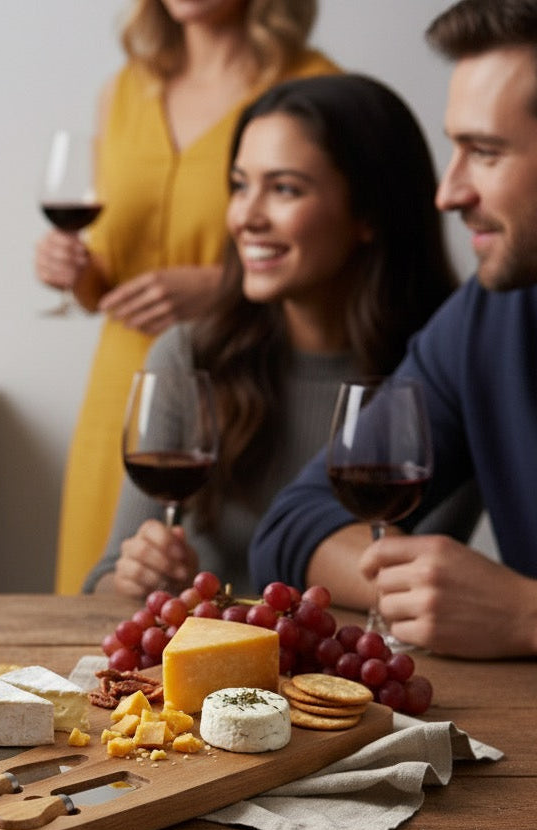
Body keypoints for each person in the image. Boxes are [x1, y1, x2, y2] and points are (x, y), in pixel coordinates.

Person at [85, 72, 480, 598]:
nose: (246, 216)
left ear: (369, 212)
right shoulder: (189, 356)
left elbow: (425, 595)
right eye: (240, 185)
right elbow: (105, 583)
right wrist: (140, 578)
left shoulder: (447, 375)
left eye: (285, 189)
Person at [250, 0, 537, 659]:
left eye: (485, 152)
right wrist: (419, 583)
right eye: (454, 148)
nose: (449, 191)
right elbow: (292, 525)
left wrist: (526, 616)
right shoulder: (483, 320)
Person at [35, 0, 338, 594]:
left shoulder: (315, 86)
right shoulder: (126, 89)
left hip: (235, 382)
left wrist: (224, 288)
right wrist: (79, 271)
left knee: (215, 602)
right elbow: (112, 268)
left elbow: (336, 267)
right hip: (122, 390)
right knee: (104, 594)